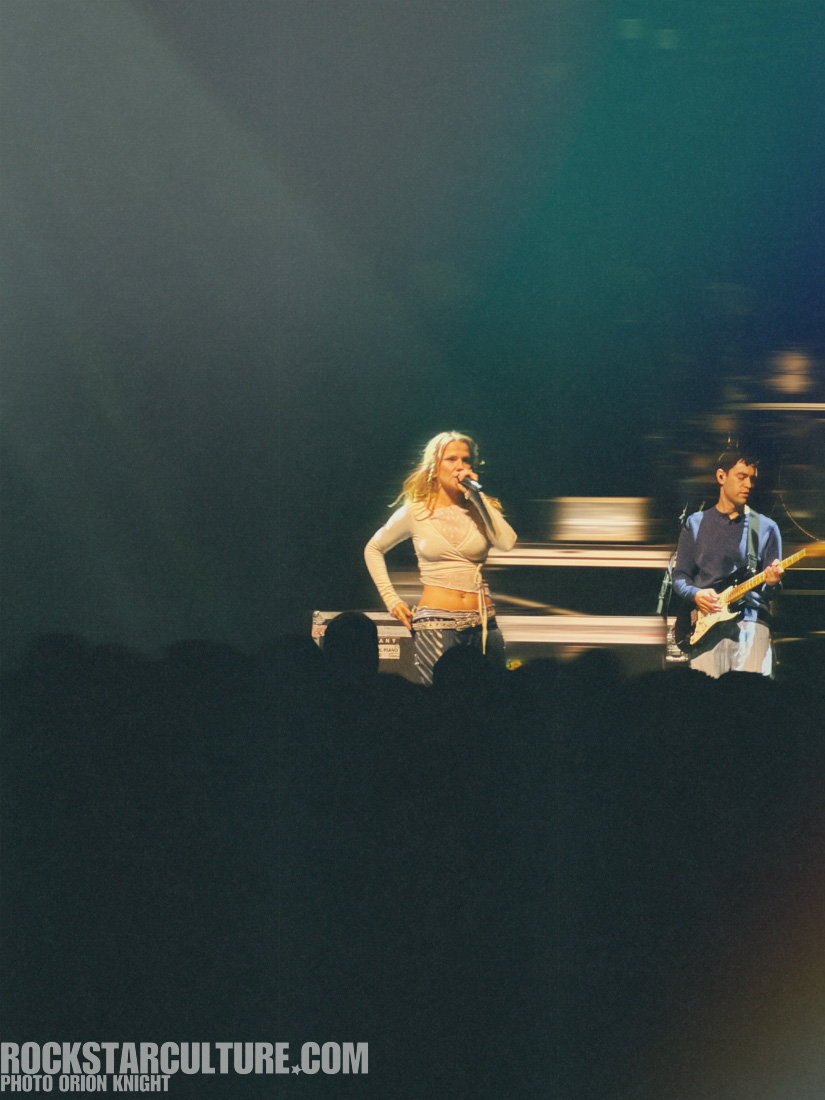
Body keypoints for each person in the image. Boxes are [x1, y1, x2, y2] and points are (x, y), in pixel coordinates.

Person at [364, 431, 517, 685]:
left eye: (466, 460)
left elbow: (508, 542)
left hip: (484, 625)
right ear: (435, 466)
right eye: (452, 459)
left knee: (493, 701)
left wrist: (477, 498)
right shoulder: (416, 512)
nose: (461, 467)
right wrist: (391, 599)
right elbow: (373, 548)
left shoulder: (481, 508)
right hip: (438, 624)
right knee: (440, 702)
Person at [673, 449, 783, 677]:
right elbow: (680, 576)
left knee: (751, 704)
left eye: (752, 478)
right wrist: (696, 594)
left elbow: (772, 591)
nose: (749, 484)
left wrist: (772, 583)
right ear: (721, 477)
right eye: (742, 477)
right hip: (706, 630)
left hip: (751, 628)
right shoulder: (695, 523)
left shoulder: (766, 528)